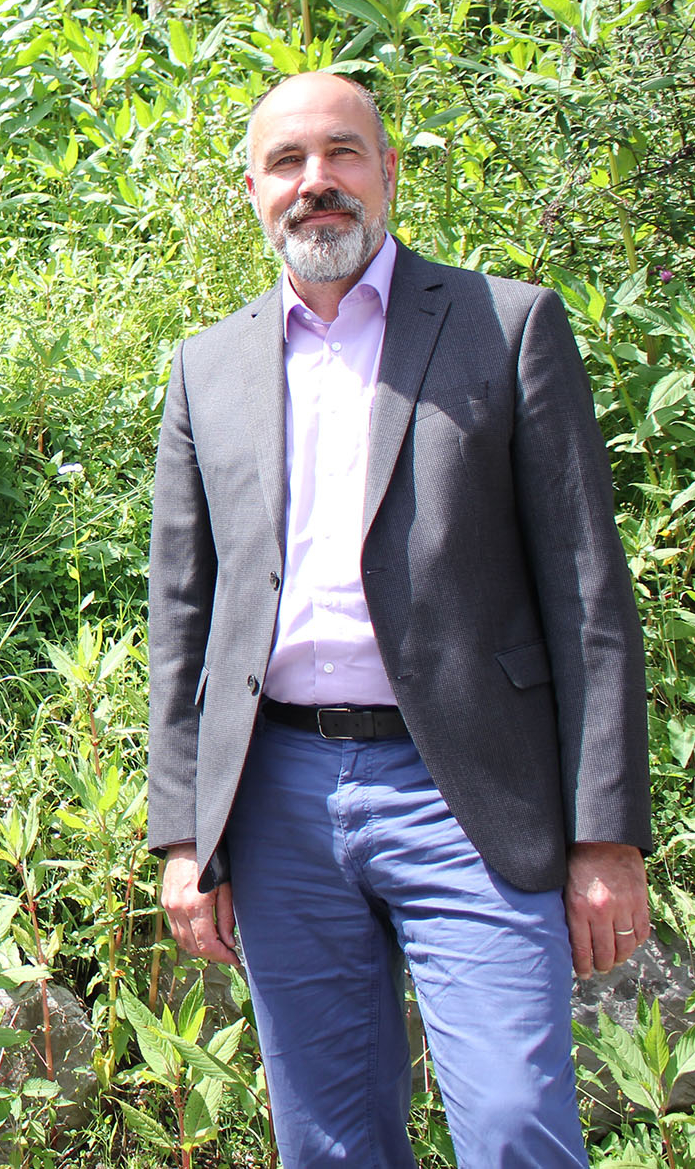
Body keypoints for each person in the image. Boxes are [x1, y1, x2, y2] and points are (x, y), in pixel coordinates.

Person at [146, 72, 652, 1167]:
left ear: (386, 173)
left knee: (516, 1122)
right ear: (250, 188)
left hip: (466, 787)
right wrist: (182, 834)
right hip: (276, 795)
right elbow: (182, 614)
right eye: (285, 163)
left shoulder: (503, 325)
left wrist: (604, 834)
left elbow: (586, 591)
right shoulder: (207, 366)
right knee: (326, 1141)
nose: (313, 183)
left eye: (340, 154)